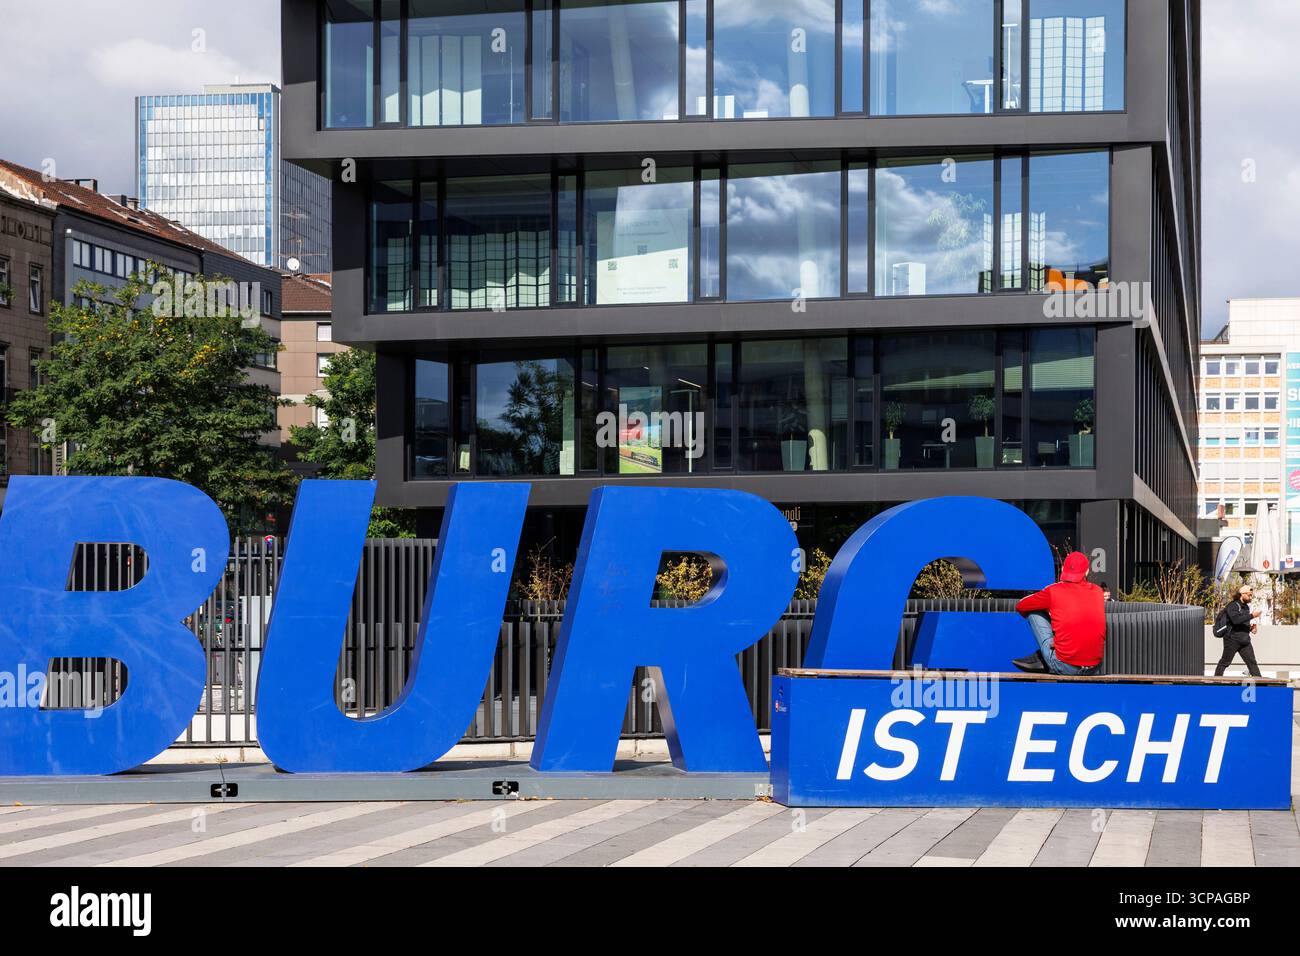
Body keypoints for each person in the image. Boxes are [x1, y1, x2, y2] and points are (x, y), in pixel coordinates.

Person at [1012, 551, 1106, 676]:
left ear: (1062, 569)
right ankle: (1043, 656)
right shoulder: (1098, 591)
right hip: (1095, 666)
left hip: (1065, 666)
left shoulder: (1054, 591)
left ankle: (1043, 658)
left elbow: (1021, 605)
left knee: (1033, 611)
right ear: (1087, 571)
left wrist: (1048, 611)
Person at [1214, 585, 1263, 678]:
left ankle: (1261, 684)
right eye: (1249, 595)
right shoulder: (1233, 605)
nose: (1250, 597)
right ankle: (1216, 681)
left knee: (1252, 662)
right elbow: (1235, 620)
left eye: (1251, 595)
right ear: (1242, 594)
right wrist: (1252, 615)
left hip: (1244, 640)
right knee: (1225, 662)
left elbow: (1242, 622)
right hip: (1232, 639)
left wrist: (1250, 628)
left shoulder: (1246, 607)